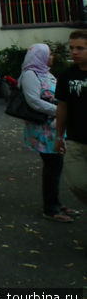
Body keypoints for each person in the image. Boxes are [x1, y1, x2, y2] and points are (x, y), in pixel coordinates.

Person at [19, 43, 75, 222]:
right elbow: (34, 101)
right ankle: (50, 208)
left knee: (55, 166)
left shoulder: (45, 72)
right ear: (39, 56)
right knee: (53, 167)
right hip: (43, 129)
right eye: (48, 54)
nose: (51, 57)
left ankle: (55, 203)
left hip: (53, 127)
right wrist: (59, 110)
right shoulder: (30, 74)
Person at [54, 30, 87, 209]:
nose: (74, 52)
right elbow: (62, 107)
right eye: (72, 48)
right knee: (76, 183)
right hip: (75, 139)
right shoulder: (67, 75)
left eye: (80, 48)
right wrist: (59, 136)